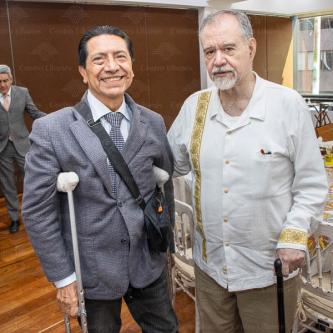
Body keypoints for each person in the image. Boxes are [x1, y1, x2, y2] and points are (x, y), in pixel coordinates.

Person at [167, 10, 328, 333]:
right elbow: (170, 163)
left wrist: (294, 237)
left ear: (251, 48)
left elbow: (310, 182)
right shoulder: (195, 107)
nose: (218, 60)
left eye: (229, 48)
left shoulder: (287, 105)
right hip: (210, 266)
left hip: (268, 268)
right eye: (210, 52)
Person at [22, 26, 178, 333]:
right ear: (82, 71)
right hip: (91, 270)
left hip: (148, 262)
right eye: (99, 59)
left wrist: (166, 244)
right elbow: (37, 212)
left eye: (120, 57)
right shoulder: (52, 130)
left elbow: (165, 187)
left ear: (131, 65)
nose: (111, 66)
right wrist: (64, 279)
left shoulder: (153, 122)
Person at [0, 64, 46, 233]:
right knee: (8, 184)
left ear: (11, 79)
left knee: (32, 180)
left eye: (6, 81)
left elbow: (34, 112)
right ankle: (14, 218)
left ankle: (37, 215)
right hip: (2, 148)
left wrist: (54, 119)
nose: (3, 85)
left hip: (22, 144)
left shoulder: (22, 92)